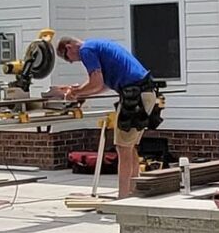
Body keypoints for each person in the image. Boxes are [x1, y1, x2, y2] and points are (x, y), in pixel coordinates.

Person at [56, 36, 158, 199]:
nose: (73, 62)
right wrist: (80, 91)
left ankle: (124, 197)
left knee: (122, 148)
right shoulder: (97, 45)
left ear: (69, 47)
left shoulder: (86, 50)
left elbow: (95, 82)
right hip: (142, 93)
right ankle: (133, 192)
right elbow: (101, 86)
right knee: (129, 146)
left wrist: (74, 93)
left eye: (70, 59)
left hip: (135, 96)